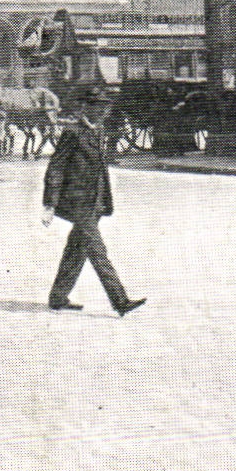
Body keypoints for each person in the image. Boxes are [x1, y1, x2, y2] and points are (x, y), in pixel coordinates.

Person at [42, 86, 146, 317]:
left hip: (96, 201)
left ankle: (57, 297)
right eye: (99, 107)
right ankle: (120, 301)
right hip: (80, 203)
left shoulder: (98, 132)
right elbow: (56, 167)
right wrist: (49, 204)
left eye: (105, 107)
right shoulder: (73, 133)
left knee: (76, 249)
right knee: (98, 251)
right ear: (86, 108)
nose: (104, 112)